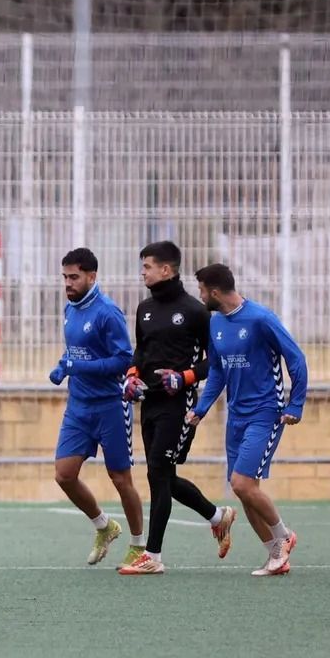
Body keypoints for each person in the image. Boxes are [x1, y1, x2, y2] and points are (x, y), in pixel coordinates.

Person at [118, 242, 236, 575]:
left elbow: (214, 360)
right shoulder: (144, 309)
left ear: (166, 270)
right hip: (149, 402)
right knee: (163, 475)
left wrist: (184, 378)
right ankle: (218, 516)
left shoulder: (197, 311)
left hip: (179, 404)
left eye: (147, 267)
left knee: (157, 472)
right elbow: (141, 352)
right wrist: (130, 377)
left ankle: (152, 556)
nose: (143, 272)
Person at [187, 263, 307, 577]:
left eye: (201, 289)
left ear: (214, 291)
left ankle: (284, 537)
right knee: (242, 488)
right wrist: (201, 409)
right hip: (236, 416)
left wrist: (295, 404)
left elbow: (295, 358)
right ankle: (274, 555)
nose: (199, 296)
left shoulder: (260, 318)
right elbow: (216, 371)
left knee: (242, 483)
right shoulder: (215, 324)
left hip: (265, 412)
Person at [48, 248, 146, 568]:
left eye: (74, 277)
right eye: (65, 277)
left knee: (120, 479)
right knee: (64, 475)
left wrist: (80, 366)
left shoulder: (108, 312)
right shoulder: (69, 309)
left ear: (92, 276)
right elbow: (76, 352)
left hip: (110, 407)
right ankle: (104, 526)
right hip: (78, 406)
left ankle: (138, 546)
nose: (68, 283)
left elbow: (123, 360)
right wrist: (64, 366)